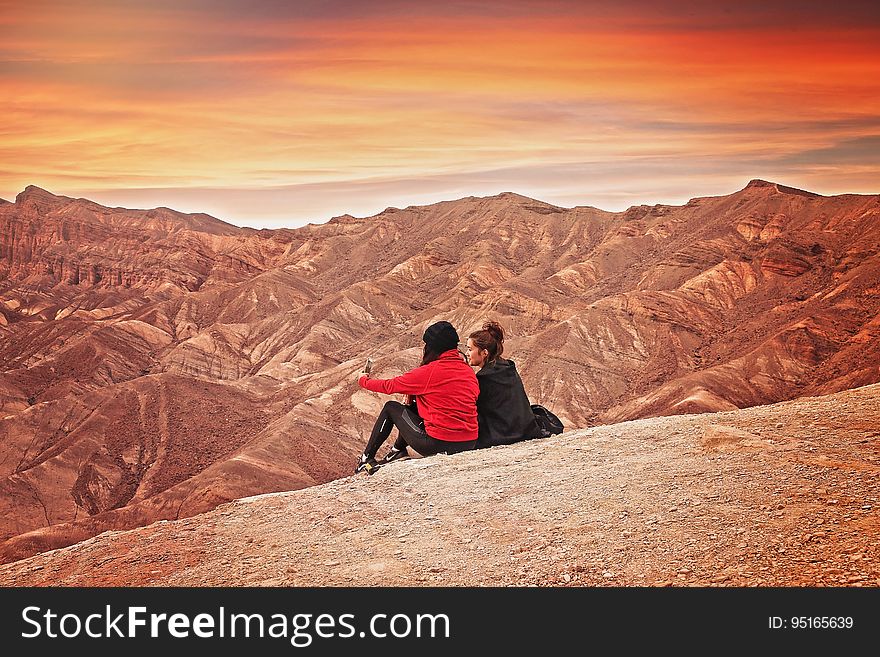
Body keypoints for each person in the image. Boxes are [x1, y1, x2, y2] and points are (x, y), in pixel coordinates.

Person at [355, 320, 479, 474]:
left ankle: (366, 458)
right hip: (469, 442)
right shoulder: (467, 371)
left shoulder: (430, 371)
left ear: (432, 347)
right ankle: (396, 451)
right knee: (413, 404)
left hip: (439, 443)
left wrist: (363, 380)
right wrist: (414, 396)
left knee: (391, 408)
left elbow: (389, 386)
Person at [466, 321, 542, 449]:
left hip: (502, 435)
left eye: (470, 349)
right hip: (525, 429)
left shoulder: (484, 378)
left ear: (484, 353)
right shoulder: (508, 367)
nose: (467, 353)